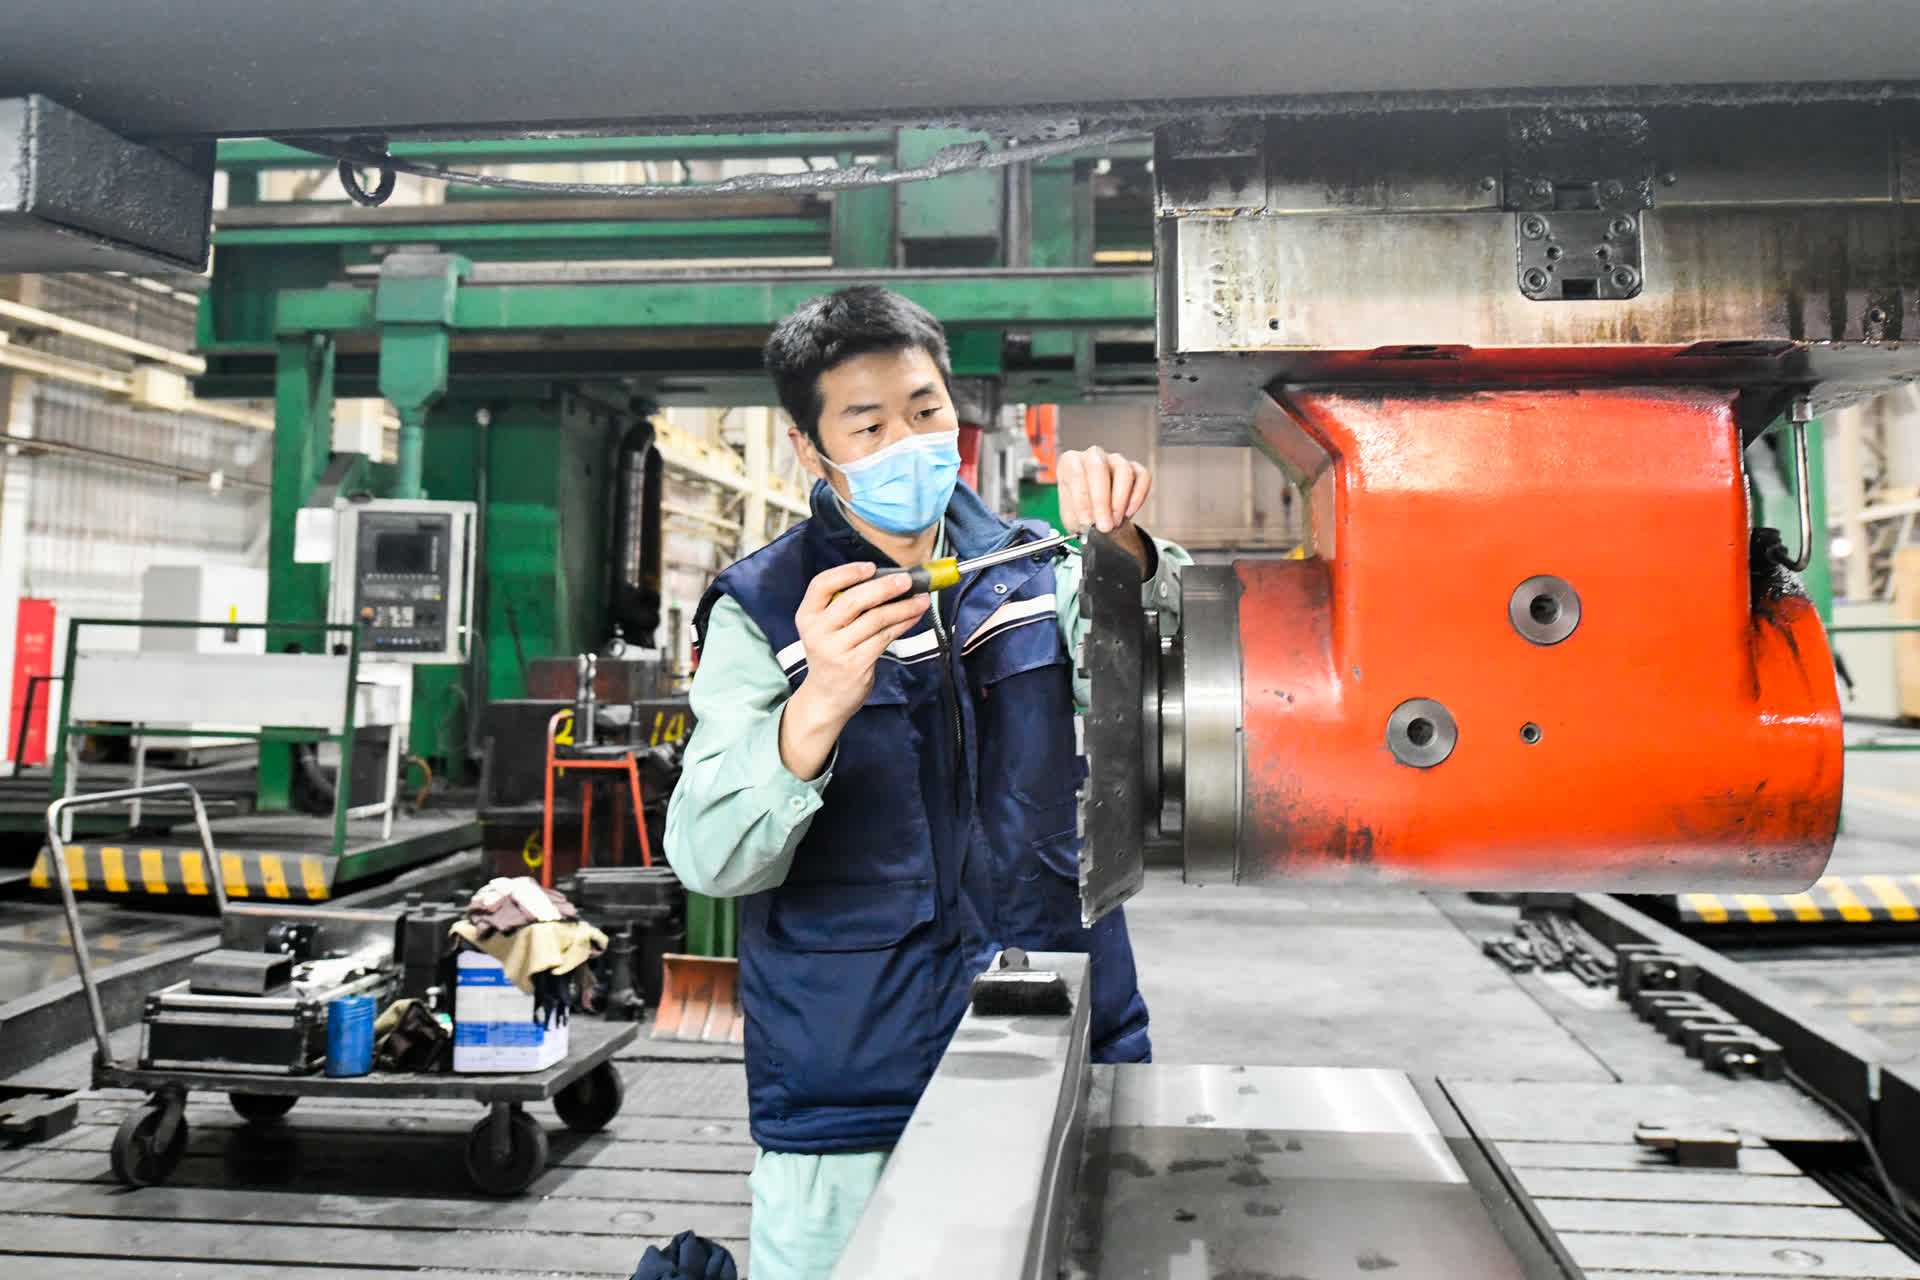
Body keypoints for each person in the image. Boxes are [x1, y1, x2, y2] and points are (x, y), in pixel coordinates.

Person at [663, 286, 1189, 1280]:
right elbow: (709, 856)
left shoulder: (1039, 570)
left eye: (925, 409)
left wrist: (1127, 554)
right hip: (853, 1093)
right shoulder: (762, 611)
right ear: (809, 450)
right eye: (868, 425)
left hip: (1060, 1047)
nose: (907, 441)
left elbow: (1188, 685)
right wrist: (821, 697)